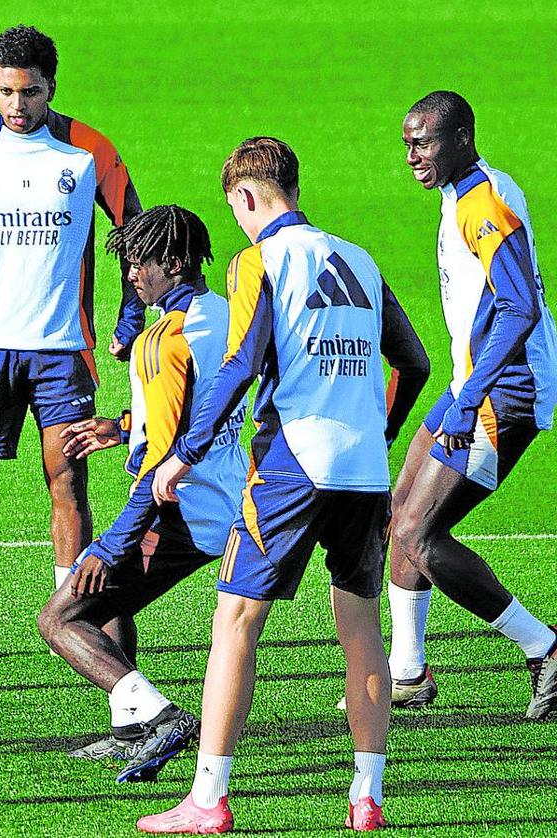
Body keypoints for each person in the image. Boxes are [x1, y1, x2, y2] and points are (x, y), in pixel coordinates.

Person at [137, 137, 429, 833]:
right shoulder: (358, 258)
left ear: (245, 196)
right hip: (364, 474)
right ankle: (367, 798)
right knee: (361, 628)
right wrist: (380, 436)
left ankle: (208, 799)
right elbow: (414, 363)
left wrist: (183, 451)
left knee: (237, 621)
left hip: (293, 465)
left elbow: (239, 364)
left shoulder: (257, 260)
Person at [0, 24, 144, 664]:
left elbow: (137, 234)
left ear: (51, 88)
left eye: (31, 93)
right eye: (7, 92)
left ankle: (75, 614)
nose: (18, 106)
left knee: (67, 483)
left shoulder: (89, 150)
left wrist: (129, 322)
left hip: (62, 350)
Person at [36, 205, 246, 784]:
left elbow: (163, 460)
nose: (131, 275)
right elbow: (200, 413)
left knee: (62, 617)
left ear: (173, 263)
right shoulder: (228, 316)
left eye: (139, 263)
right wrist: (124, 427)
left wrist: (109, 544)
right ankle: (132, 729)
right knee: (114, 601)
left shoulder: (162, 339)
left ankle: (157, 715)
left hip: (182, 508)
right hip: (232, 496)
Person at [386, 91, 557, 718]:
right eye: (407, 143)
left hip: (504, 390)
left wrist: (471, 399)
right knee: (401, 509)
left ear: (461, 138)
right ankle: (407, 671)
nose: (412, 156)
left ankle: (544, 648)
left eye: (423, 143)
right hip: (473, 381)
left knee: (418, 530)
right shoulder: (464, 191)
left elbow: (520, 307)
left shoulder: (481, 202)